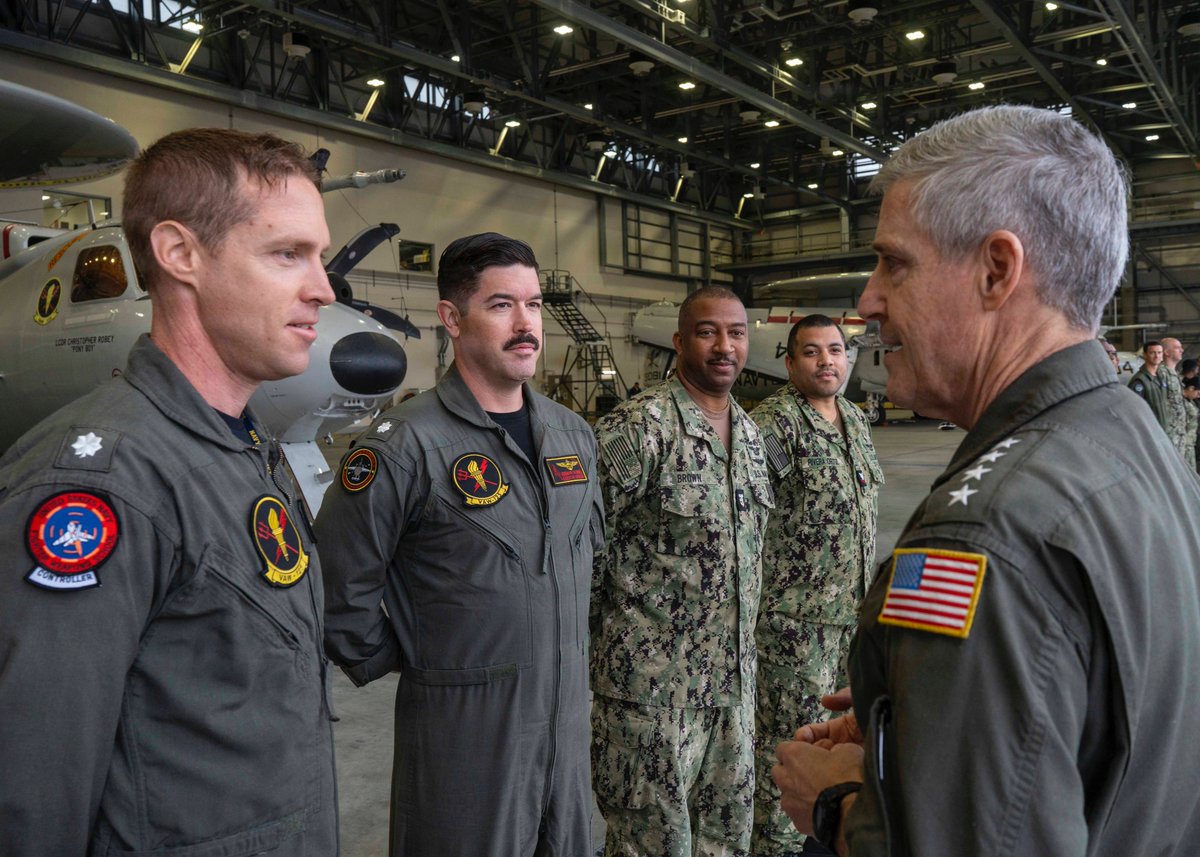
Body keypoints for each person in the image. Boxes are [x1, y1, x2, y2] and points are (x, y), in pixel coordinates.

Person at [772, 105, 1200, 856]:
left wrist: (837, 806)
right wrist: (905, 721)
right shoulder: (1133, 443)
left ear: (997, 270)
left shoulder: (985, 536)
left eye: (894, 263)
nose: (869, 300)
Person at [0, 129, 339, 854]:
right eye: (288, 253)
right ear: (180, 253)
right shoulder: (100, 484)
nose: (324, 288)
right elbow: (29, 797)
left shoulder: (245, 451)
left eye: (321, 256)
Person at [316, 233, 603, 857]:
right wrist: (422, 661)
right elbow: (337, 582)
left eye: (533, 304)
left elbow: (586, 564)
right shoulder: (404, 444)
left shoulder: (572, 436)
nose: (526, 324)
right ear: (452, 317)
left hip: (566, 730)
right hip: (464, 734)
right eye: (502, 306)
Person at [591, 285, 774, 857]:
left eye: (737, 333)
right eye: (707, 331)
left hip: (734, 693)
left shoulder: (749, 435)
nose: (725, 346)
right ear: (679, 341)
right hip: (653, 694)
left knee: (727, 840)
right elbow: (584, 550)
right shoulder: (637, 428)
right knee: (649, 845)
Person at [749, 314, 882, 856]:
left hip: (847, 626)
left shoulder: (854, 417)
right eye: (812, 352)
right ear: (789, 362)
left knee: (834, 750)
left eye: (835, 350)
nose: (827, 361)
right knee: (787, 758)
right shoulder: (772, 425)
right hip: (791, 633)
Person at [1128, 340, 1170, 431]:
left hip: (1163, 431)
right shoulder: (1140, 381)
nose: (1157, 356)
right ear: (1145, 355)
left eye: (1159, 353)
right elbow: (1135, 411)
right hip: (1151, 432)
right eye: (1152, 353)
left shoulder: (1161, 378)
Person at [1160, 336, 1190, 459]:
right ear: (1166, 352)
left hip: (1179, 433)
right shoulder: (1161, 373)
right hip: (1169, 434)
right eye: (1177, 348)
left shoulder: (1174, 374)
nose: (1182, 350)